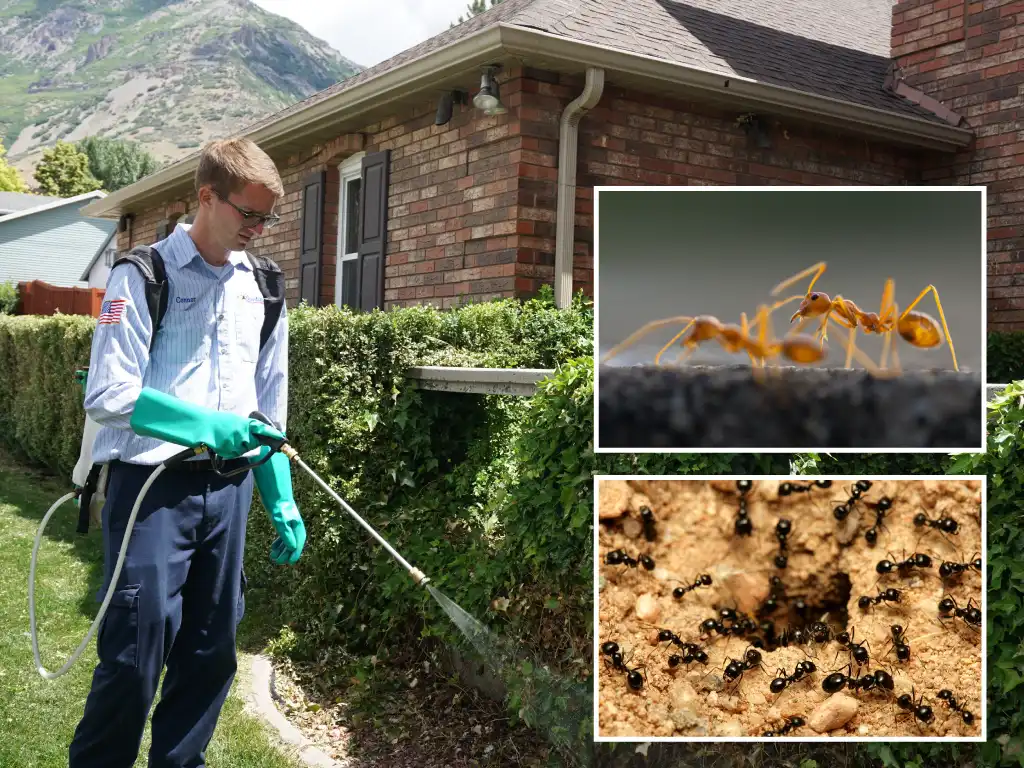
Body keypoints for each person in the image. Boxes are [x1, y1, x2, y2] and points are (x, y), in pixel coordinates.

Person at [69, 136, 307, 768]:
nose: (259, 229)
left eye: (267, 218)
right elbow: (108, 394)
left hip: (230, 492)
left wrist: (281, 496)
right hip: (150, 492)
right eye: (248, 214)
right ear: (207, 196)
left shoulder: (266, 287)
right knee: (135, 651)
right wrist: (206, 426)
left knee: (211, 652)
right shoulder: (142, 274)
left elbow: (266, 413)